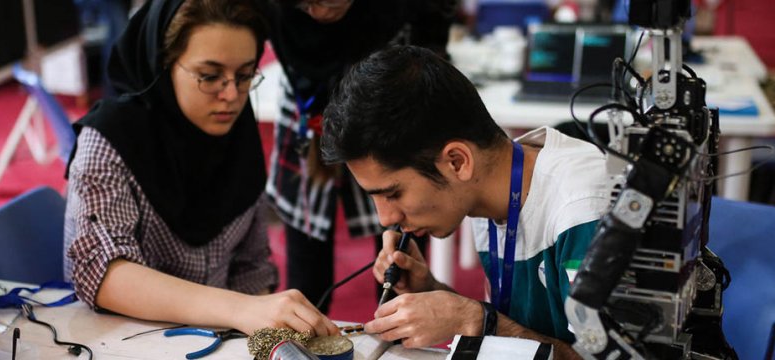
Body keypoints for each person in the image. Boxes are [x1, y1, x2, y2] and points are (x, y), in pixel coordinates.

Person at [62, 0, 337, 337]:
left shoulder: (237, 132)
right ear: (164, 63)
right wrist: (240, 310)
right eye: (209, 76)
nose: (232, 95)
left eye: (246, 74)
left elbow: (251, 267)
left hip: (217, 340)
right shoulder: (109, 140)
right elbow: (104, 273)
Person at [320, 45, 612, 357]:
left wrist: (474, 320)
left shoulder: (582, 209)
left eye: (393, 193)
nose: (386, 219)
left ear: (457, 162)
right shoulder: (489, 190)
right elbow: (526, 335)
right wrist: (432, 291)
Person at [262, 0, 456, 312]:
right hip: (305, 112)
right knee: (306, 262)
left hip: (395, 106)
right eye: (308, 4)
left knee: (400, 262)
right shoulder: (280, 14)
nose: (323, 12)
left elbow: (433, 35)